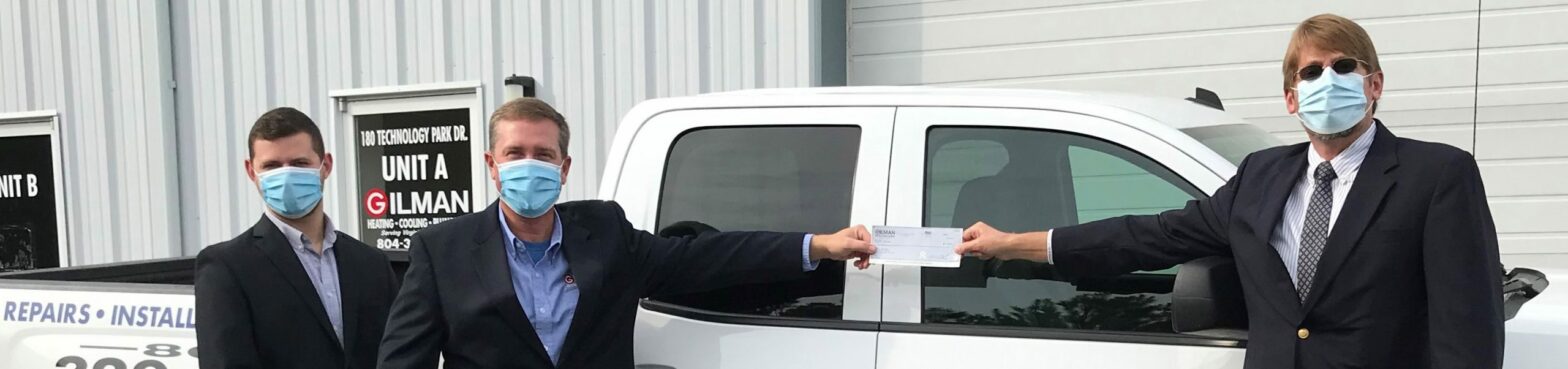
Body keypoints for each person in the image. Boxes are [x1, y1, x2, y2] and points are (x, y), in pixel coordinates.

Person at [955, 14, 1502, 369]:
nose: (1326, 81)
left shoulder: (1436, 176)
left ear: (1374, 84)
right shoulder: (1261, 176)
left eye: (1343, 67)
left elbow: (1468, 332)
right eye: (1310, 73)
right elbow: (1150, 236)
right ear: (1291, 99)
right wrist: (1016, 243)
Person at [378, 98, 877, 368]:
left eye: (544, 155)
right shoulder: (441, 250)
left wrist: (818, 244)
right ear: (492, 164)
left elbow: (705, 258)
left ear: (565, 166)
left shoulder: (604, 232)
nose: (529, 165)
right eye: (515, 154)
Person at [195, 108, 401, 369]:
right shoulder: (226, 268)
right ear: (251, 171)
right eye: (271, 166)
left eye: (299, 163)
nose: (287, 176)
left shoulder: (371, 264)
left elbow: (396, 355)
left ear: (325, 165)